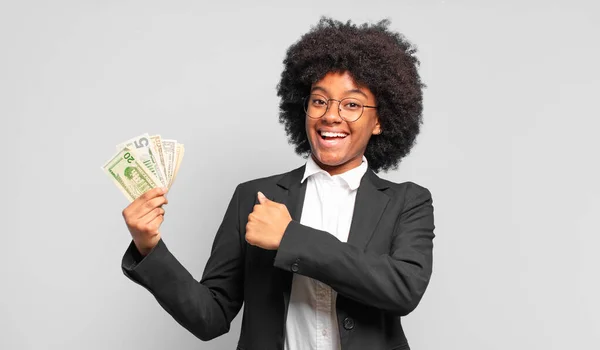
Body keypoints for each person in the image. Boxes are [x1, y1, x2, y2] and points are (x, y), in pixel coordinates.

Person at [121, 17, 435, 350]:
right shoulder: (253, 198)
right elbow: (210, 316)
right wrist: (148, 247)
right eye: (319, 101)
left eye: (352, 104)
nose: (331, 115)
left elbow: (403, 289)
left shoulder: (407, 202)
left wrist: (289, 237)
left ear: (379, 122)